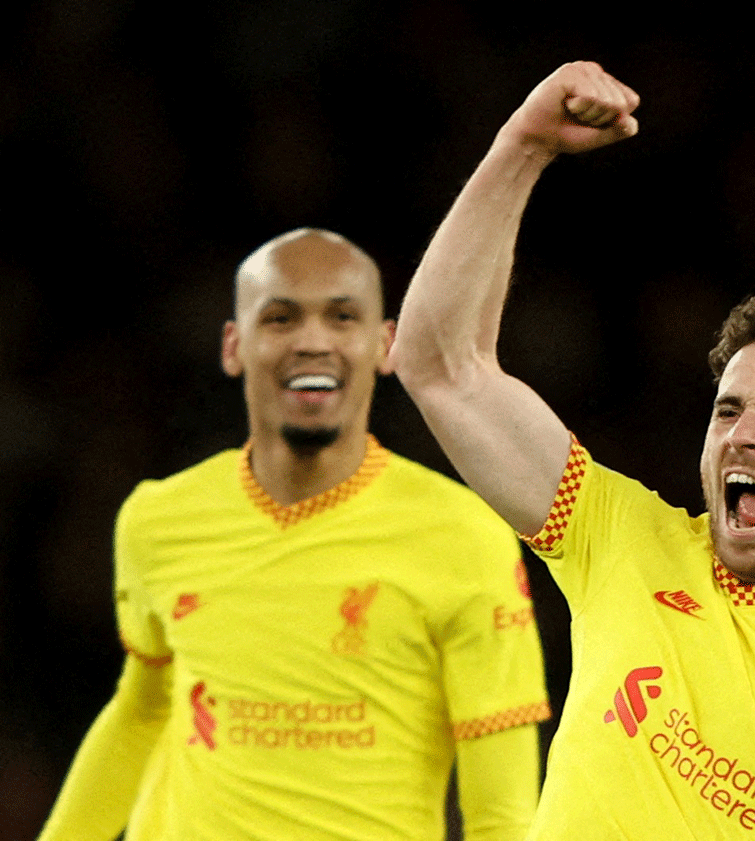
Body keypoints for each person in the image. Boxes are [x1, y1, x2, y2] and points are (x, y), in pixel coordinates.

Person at [391, 61, 755, 839]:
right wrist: (523, 144)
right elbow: (438, 362)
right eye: (728, 408)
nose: (743, 432)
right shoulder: (620, 538)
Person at [38, 228, 550, 840]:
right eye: (280, 319)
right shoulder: (157, 519)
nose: (313, 341)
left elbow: (503, 813)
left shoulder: (465, 536)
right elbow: (142, 707)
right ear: (234, 345)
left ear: (385, 345)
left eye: (342, 318)